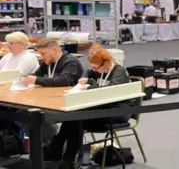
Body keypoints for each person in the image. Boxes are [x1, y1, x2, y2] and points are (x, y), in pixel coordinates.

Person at [52, 49, 133, 167]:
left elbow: (110, 91)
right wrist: (84, 77)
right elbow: (88, 72)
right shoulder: (99, 69)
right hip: (101, 107)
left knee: (76, 120)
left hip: (118, 111)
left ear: (106, 63)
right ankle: (63, 155)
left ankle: (63, 155)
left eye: (96, 67)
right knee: (73, 118)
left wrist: (90, 85)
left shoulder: (119, 72)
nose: (95, 70)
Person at [19, 38, 83, 167]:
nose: (41, 57)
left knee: (35, 117)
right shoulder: (47, 62)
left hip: (70, 104)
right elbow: (37, 76)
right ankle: (53, 147)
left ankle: (57, 149)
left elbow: (63, 80)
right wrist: (28, 79)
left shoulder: (70, 62)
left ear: (54, 50)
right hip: (51, 100)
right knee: (21, 114)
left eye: (43, 54)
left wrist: (36, 80)